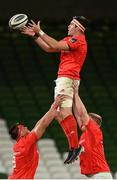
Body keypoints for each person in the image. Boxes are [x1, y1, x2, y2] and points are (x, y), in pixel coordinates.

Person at [20, 16, 89, 163]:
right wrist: (36, 36)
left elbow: (56, 45)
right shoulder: (71, 39)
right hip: (65, 78)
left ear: (78, 27)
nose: (68, 26)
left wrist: (41, 32)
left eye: (71, 24)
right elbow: (49, 48)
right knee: (58, 113)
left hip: (67, 77)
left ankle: (74, 147)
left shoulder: (78, 40)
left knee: (64, 112)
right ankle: (73, 147)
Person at [8, 94, 65, 179]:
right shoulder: (25, 143)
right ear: (20, 133)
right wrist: (55, 105)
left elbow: (38, 124)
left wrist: (52, 109)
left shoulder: (22, 143)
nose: (25, 127)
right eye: (23, 127)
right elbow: (43, 124)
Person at [72, 84, 113, 179]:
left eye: (89, 120)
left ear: (95, 124)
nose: (84, 121)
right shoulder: (86, 133)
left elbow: (82, 114)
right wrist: (72, 98)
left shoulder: (95, 130)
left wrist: (76, 94)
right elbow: (78, 116)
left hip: (101, 175)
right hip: (96, 176)